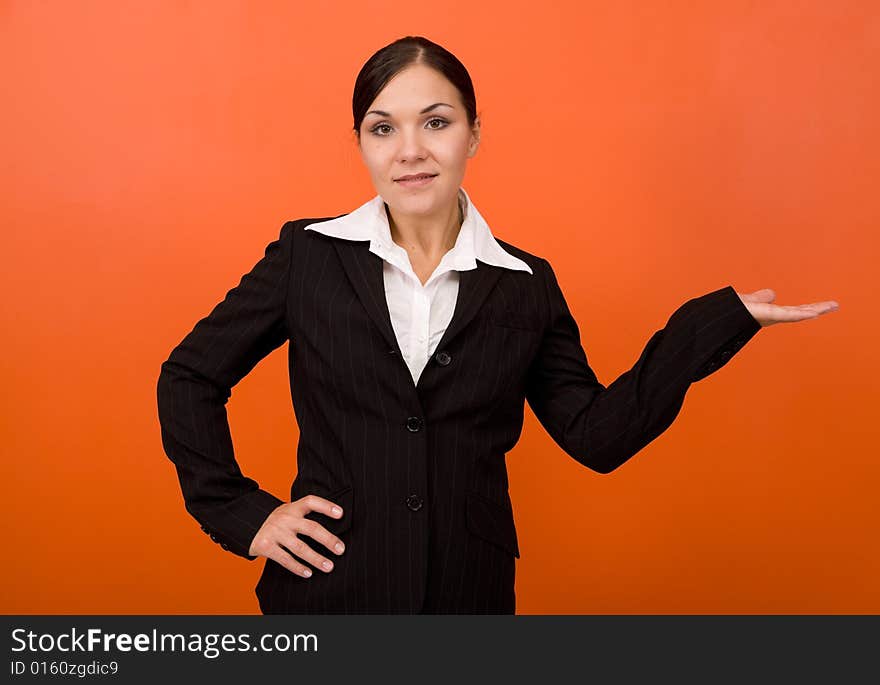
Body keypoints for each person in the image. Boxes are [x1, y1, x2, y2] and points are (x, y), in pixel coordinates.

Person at [156, 35, 839, 615]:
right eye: (383, 127)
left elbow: (597, 434)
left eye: (437, 122)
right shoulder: (307, 255)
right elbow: (189, 374)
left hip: (467, 599)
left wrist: (711, 324)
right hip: (329, 595)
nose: (410, 150)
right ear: (360, 142)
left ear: (474, 133)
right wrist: (246, 515)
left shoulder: (526, 285)